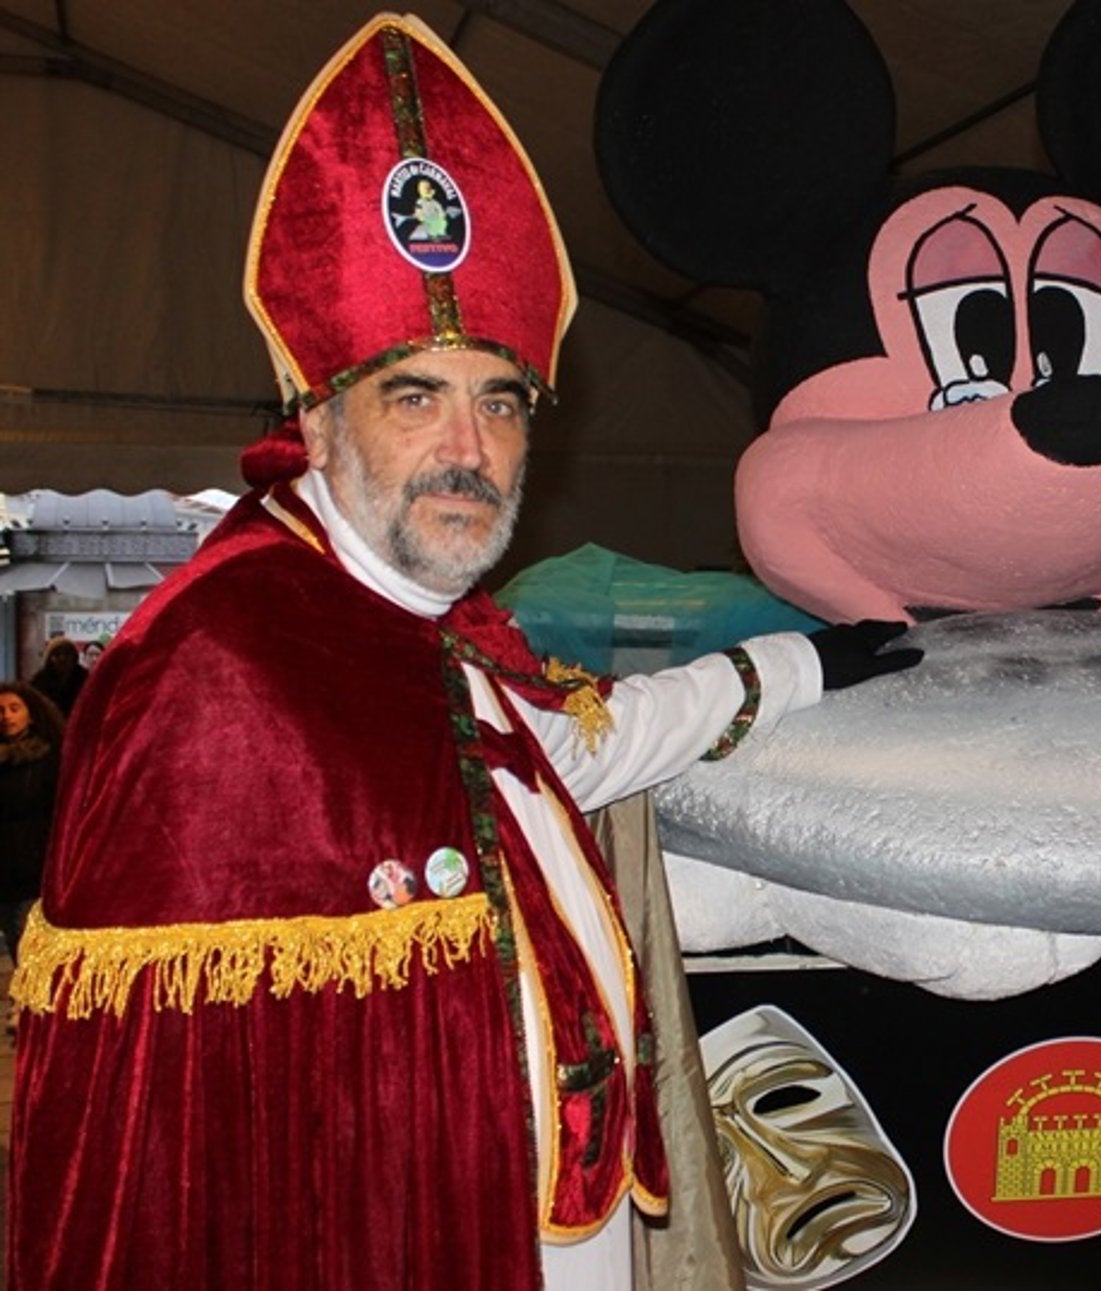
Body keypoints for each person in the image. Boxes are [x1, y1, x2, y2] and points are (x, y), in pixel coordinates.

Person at [6, 14, 917, 1290]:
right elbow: (174, 1145)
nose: (471, 448)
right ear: (317, 423)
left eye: (499, 399)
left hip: (565, 1220)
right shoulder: (219, 662)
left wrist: (803, 667)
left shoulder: (429, 632)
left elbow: (577, 750)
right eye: (415, 395)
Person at [0, 681, 62, 965]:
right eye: (1, 710)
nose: (7, 716)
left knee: (30, 948)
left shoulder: (49, 758)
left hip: (35, 868)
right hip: (5, 871)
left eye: (14, 709)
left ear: (31, 713)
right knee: (15, 942)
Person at [28, 636, 86, 716]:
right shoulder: (40, 680)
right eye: (57, 655)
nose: (62, 659)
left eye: (67, 654)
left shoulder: (85, 678)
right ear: (50, 658)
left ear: (74, 657)